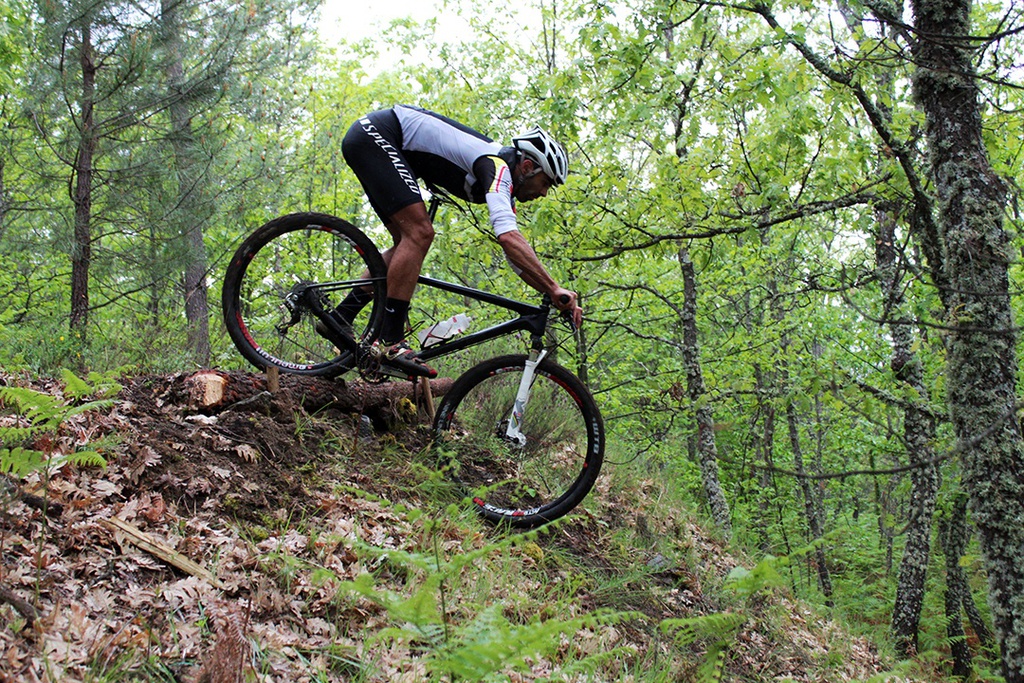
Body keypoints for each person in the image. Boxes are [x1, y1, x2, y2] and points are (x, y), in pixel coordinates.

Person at [327, 104, 582, 378]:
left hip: (378, 140)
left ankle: (340, 317)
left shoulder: (501, 178)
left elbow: (515, 258)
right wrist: (554, 287)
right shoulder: (497, 168)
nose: (544, 193)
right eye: (545, 183)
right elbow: (508, 238)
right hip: (376, 135)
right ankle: (391, 340)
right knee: (420, 233)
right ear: (528, 167)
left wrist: (551, 292)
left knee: (409, 240)